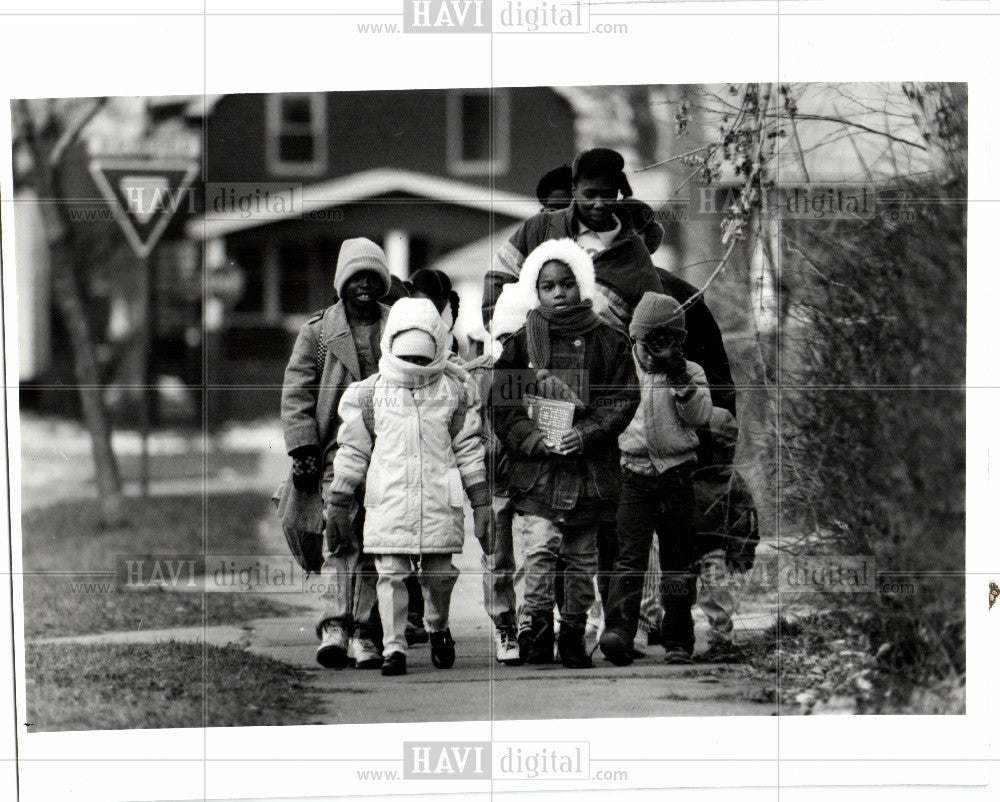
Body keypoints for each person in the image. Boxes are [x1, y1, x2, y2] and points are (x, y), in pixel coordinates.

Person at [491, 238, 638, 669]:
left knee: (580, 560)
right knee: (538, 553)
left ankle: (572, 634)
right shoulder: (522, 345)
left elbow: (623, 398)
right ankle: (535, 629)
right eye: (548, 286)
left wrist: (588, 432)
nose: (558, 293)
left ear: (582, 285)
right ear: (535, 292)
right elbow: (504, 408)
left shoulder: (609, 341)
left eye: (567, 284)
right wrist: (533, 441)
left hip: (590, 473)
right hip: (539, 476)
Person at [328, 298, 494, 677]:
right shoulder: (369, 395)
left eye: (424, 359)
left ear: (437, 347)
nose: (417, 367)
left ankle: (437, 626)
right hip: (389, 501)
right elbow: (352, 450)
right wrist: (339, 499)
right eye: (410, 359)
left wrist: (481, 502)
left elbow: (468, 449)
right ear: (392, 346)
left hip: (438, 500)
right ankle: (394, 646)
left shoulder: (454, 391)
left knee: (438, 575)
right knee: (390, 575)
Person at [279, 238, 394, 670]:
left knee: (375, 538)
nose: (364, 285)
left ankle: (365, 629)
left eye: (372, 277)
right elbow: (296, 391)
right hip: (335, 449)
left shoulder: (396, 324)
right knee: (338, 533)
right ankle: (334, 625)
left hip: (387, 449)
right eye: (355, 277)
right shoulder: (319, 332)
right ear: (342, 282)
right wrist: (303, 446)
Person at [599, 291, 713, 667]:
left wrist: (678, 373)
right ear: (635, 339)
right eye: (647, 342)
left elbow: (700, 416)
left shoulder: (690, 372)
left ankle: (679, 638)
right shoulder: (622, 370)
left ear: (678, 341)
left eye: (665, 341)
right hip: (633, 475)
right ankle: (620, 631)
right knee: (629, 560)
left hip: (677, 476)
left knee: (678, 564)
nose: (653, 351)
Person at [483, 147, 662, 334]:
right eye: (590, 194)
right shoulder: (541, 228)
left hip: (600, 361)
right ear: (574, 189)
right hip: (537, 357)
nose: (599, 204)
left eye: (608, 194)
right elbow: (498, 275)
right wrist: (505, 337)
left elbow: (656, 317)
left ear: (617, 192)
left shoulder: (633, 251)